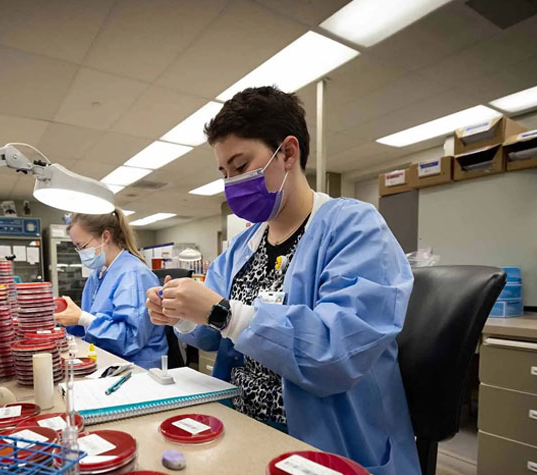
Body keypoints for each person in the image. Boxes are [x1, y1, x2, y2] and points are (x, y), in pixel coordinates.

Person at [146, 86, 420, 475]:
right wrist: (181, 313)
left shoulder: (355, 228)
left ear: (288, 153)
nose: (231, 184)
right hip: (240, 427)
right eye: (224, 173)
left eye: (240, 167)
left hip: (320, 442)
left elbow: (335, 353)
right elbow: (209, 335)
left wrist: (226, 314)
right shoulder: (243, 245)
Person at [53, 209, 167, 369]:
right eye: (76, 248)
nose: (80, 253)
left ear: (105, 237)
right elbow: (90, 329)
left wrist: (82, 318)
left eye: (82, 246)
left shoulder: (133, 274)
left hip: (138, 369)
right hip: (107, 361)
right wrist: (65, 318)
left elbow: (131, 339)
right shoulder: (98, 275)